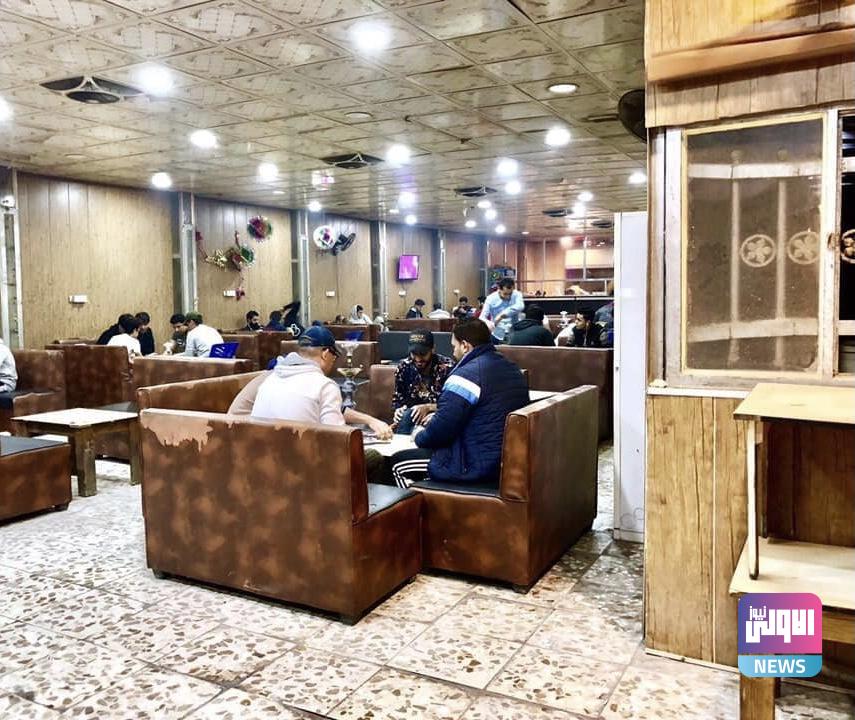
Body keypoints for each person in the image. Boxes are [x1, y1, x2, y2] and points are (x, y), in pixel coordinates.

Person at [387, 319, 528, 488]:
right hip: (507, 458)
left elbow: (442, 429)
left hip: (474, 463)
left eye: (454, 346)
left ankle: (424, 504)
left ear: (465, 346)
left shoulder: (466, 376)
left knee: (397, 463)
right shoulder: (511, 368)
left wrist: (418, 436)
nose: (453, 352)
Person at [247, 326, 392, 438]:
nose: (333, 363)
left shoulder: (270, 380)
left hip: (262, 461)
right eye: (334, 358)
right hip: (305, 463)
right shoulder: (324, 386)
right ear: (325, 354)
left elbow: (335, 410)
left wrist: (370, 420)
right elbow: (338, 439)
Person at [391, 330, 455, 433]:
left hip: (437, 415)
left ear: (433, 349)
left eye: (423, 354)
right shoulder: (404, 366)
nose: (418, 359)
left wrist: (428, 408)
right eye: (414, 354)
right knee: (405, 416)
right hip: (411, 416)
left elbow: (453, 404)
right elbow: (398, 398)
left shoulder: (447, 367)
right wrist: (398, 410)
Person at [480, 278, 525, 343]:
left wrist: (502, 315)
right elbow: (482, 317)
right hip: (497, 333)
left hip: (513, 332)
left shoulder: (517, 294)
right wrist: (490, 324)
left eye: (510, 294)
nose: (508, 297)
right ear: (499, 289)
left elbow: (520, 306)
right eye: (505, 294)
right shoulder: (490, 298)